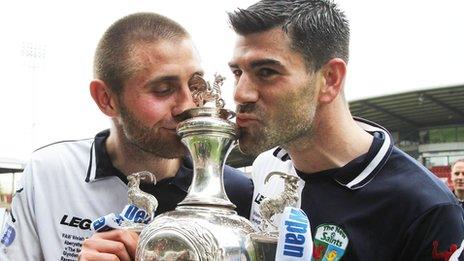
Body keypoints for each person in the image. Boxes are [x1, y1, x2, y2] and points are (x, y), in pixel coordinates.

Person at [0, 12, 253, 261]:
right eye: (164, 89)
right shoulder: (50, 173)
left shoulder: (236, 191)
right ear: (106, 99)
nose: (187, 106)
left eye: (195, 85)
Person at [228, 0, 464, 260]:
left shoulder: (425, 208)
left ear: (330, 79)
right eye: (237, 72)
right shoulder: (267, 166)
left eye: (266, 72)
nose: (240, 93)